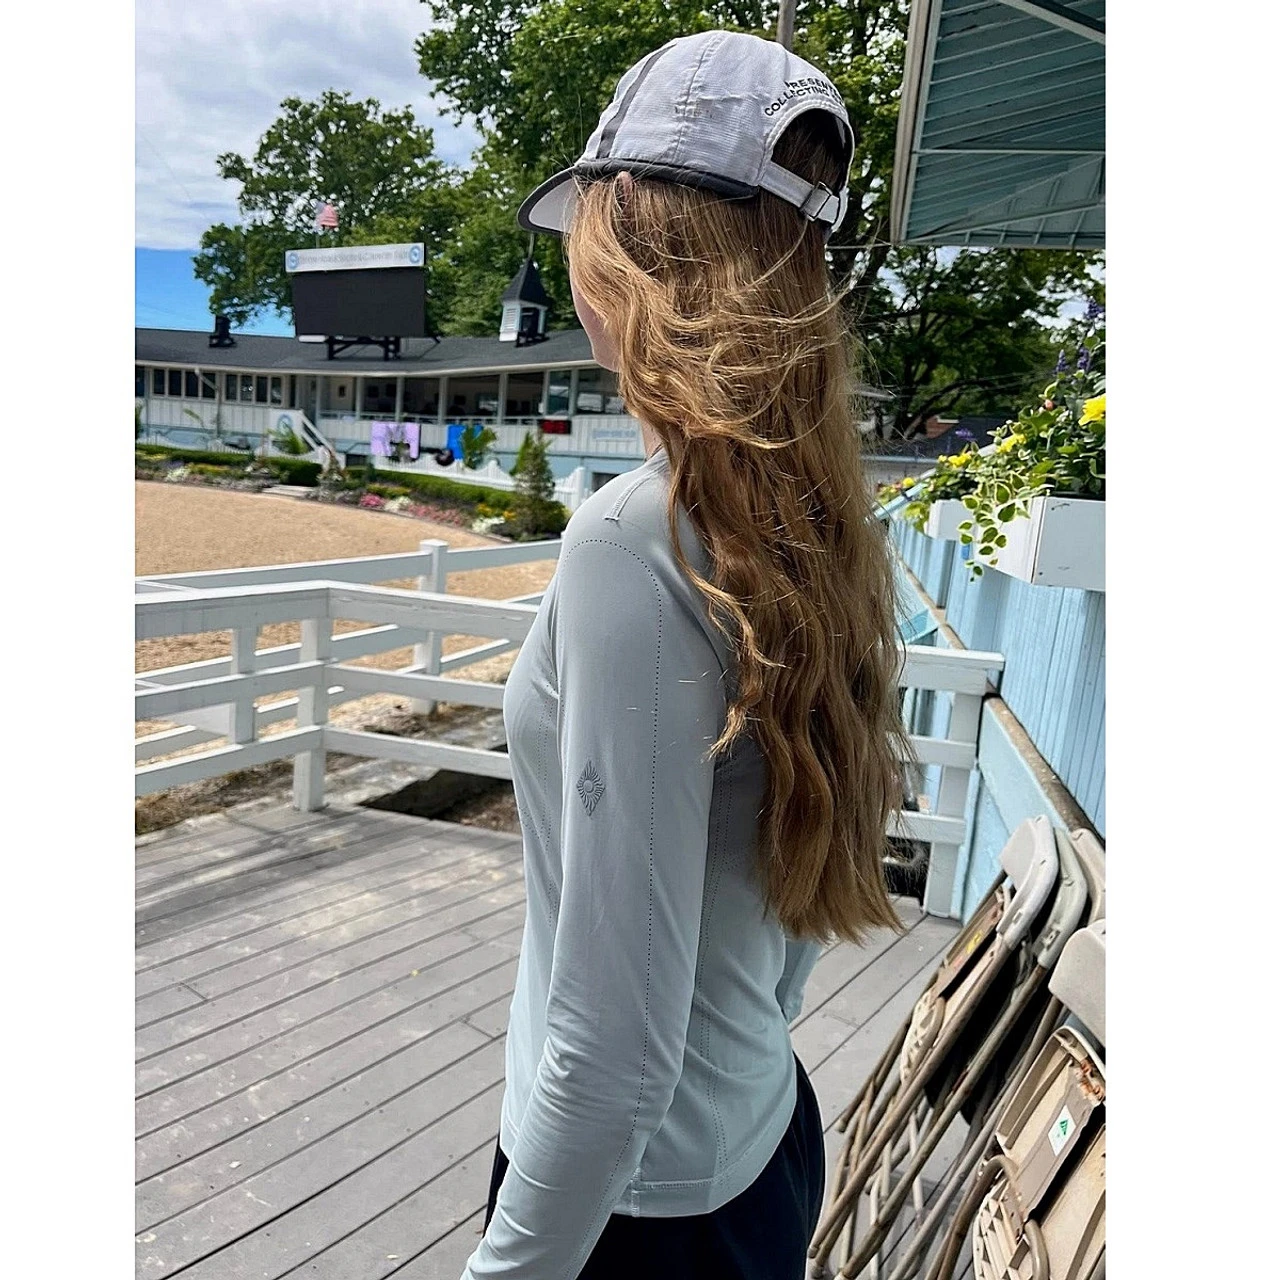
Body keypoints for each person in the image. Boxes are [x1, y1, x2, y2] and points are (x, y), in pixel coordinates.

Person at [461, 28, 910, 1280]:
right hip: (761, 1139)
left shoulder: (636, 538)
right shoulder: (814, 526)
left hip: (628, 1215)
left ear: (631, 245)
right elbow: (795, 887)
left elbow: (612, 1051)